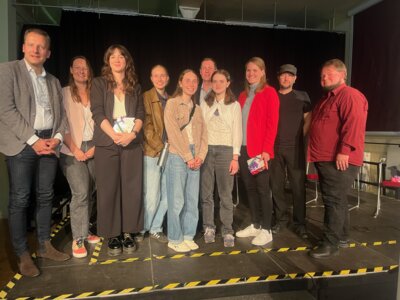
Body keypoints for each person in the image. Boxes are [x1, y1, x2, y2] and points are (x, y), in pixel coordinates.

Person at [0, 28, 70, 277]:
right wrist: (33, 140)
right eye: (31, 45)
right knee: (20, 198)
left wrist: (57, 138)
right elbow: (6, 110)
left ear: (48, 52)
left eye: (41, 46)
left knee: (45, 196)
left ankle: (44, 246)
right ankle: (21, 254)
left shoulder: (53, 81)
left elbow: (61, 117)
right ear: (23, 47)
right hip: (22, 144)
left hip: (49, 142)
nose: (36, 50)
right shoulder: (7, 71)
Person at [308, 59, 368, 258]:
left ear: (343, 75)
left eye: (329, 74)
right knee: (338, 200)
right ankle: (342, 237)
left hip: (339, 158)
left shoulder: (349, 95)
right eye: (322, 75)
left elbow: (354, 124)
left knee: (333, 201)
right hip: (324, 158)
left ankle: (330, 243)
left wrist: (344, 150)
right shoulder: (326, 98)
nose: (324, 78)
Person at [91, 44, 144, 256]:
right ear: (108, 61)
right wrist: (114, 136)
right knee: (109, 188)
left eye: (121, 56)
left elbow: (140, 113)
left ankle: (129, 232)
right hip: (107, 142)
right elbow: (97, 112)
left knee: (131, 188)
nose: (117, 59)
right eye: (112, 56)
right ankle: (112, 234)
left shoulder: (135, 85)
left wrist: (131, 134)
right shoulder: (98, 83)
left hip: (131, 141)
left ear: (126, 60)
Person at [235, 57, 280, 246]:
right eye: (248, 70)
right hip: (244, 150)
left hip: (259, 152)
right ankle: (255, 224)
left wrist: (267, 150)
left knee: (263, 190)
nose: (251, 73)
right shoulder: (243, 95)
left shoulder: (270, 93)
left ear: (263, 72)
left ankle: (267, 230)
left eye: (255, 70)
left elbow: (272, 124)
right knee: (250, 189)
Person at [60, 56, 100, 258]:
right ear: (71, 70)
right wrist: (75, 149)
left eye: (85, 67)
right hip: (71, 149)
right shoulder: (64, 93)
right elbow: (62, 124)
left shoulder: (97, 92)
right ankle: (78, 238)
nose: (81, 71)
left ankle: (86, 230)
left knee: (92, 190)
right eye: (77, 67)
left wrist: (94, 147)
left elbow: (103, 120)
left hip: (94, 146)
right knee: (81, 191)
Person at [164, 69, 208, 253]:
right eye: (187, 80)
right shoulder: (172, 104)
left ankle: (188, 235)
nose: (191, 84)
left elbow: (204, 135)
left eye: (194, 81)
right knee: (177, 200)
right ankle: (174, 238)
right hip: (178, 155)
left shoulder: (197, 109)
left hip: (195, 156)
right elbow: (173, 132)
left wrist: (200, 156)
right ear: (180, 83)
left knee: (191, 199)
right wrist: (188, 157)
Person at [200, 69, 242, 247]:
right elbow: (201, 126)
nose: (217, 84)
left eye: (221, 81)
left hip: (226, 152)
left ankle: (227, 229)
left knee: (225, 193)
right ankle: (209, 226)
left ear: (228, 83)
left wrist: (235, 157)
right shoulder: (205, 102)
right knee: (207, 192)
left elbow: (237, 131)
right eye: (214, 81)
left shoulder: (234, 105)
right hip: (207, 150)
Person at [270, 64, 312, 239]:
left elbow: (308, 119)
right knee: (277, 186)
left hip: (295, 150)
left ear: (295, 78)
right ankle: (280, 219)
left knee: (297, 187)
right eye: (283, 75)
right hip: (274, 149)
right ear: (278, 77)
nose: (286, 78)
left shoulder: (303, 97)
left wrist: (304, 143)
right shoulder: (271, 96)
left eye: (290, 75)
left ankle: (299, 223)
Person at [141, 65, 170, 243]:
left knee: (168, 194)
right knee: (152, 195)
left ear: (167, 78)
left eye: (163, 76)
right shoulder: (146, 97)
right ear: (151, 78)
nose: (159, 79)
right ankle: (143, 227)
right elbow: (147, 126)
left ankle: (156, 227)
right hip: (153, 152)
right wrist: (161, 148)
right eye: (156, 76)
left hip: (171, 153)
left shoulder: (172, 99)